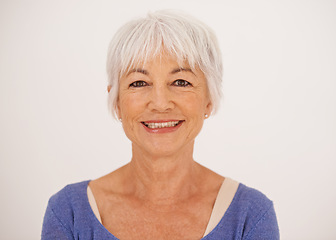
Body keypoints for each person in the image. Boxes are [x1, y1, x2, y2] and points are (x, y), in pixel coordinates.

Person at [42, 10, 279, 240]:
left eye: (180, 81)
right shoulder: (68, 213)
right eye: (139, 83)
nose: (160, 103)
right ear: (116, 102)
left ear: (209, 100)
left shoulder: (251, 215)